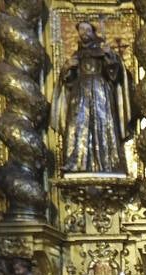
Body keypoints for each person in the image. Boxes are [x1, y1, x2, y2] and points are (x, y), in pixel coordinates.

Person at [60, 21, 130, 174]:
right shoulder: (77, 54)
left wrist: (110, 55)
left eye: (87, 29)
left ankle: (108, 164)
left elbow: (114, 74)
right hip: (79, 93)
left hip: (100, 91)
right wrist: (67, 68)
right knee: (77, 125)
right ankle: (75, 163)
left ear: (93, 31)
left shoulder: (102, 50)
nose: (84, 32)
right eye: (81, 30)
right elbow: (68, 80)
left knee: (103, 124)